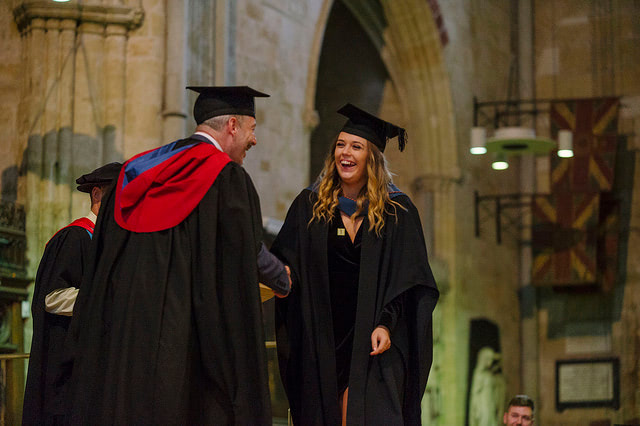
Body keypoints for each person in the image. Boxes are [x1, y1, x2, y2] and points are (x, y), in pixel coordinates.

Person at [65, 86, 282, 425]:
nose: (253, 140)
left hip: (125, 350)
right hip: (184, 350)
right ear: (232, 126)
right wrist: (283, 277)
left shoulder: (132, 174)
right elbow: (244, 253)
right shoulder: (226, 178)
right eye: (252, 129)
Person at [271, 103, 439, 425]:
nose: (345, 153)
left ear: (372, 157)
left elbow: (408, 279)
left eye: (356, 146)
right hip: (323, 340)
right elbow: (285, 263)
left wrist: (386, 324)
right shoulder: (310, 205)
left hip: (373, 341)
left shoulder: (397, 212)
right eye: (340, 145)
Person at [23, 162, 121, 426]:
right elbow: (52, 297)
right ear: (97, 194)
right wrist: (106, 297)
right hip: (68, 368)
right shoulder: (75, 237)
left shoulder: (108, 244)